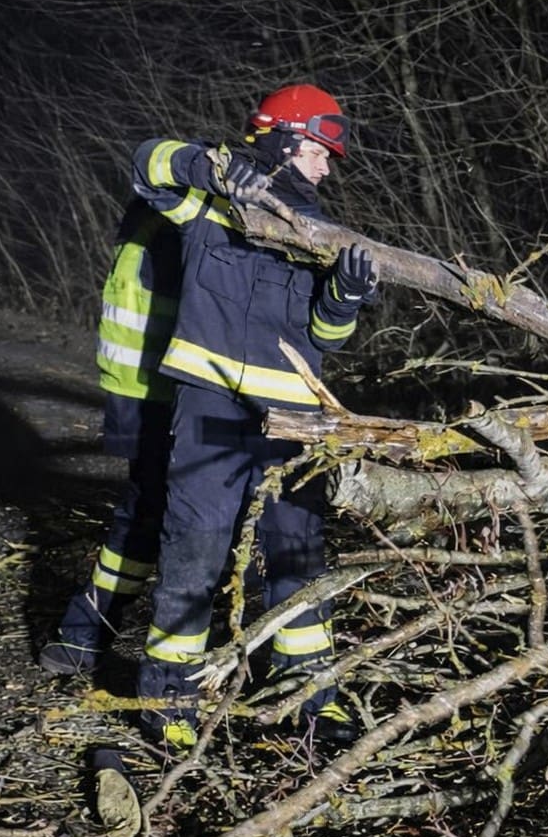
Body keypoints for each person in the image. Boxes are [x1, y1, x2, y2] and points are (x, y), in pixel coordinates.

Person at [130, 82, 377, 750]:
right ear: (285, 139)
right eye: (320, 152)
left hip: (293, 420)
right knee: (197, 546)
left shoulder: (320, 232)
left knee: (297, 553)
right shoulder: (211, 199)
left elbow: (326, 337)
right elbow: (146, 164)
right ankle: (168, 702)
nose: (328, 168)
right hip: (210, 405)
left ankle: (311, 702)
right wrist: (210, 169)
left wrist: (344, 298)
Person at [39, 198, 181, 676]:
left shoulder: (159, 202)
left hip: (145, 386)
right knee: (152, 512)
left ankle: (86, 634)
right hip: (162, 391)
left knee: (148, 511)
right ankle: (88, 633)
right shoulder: (186, 206)